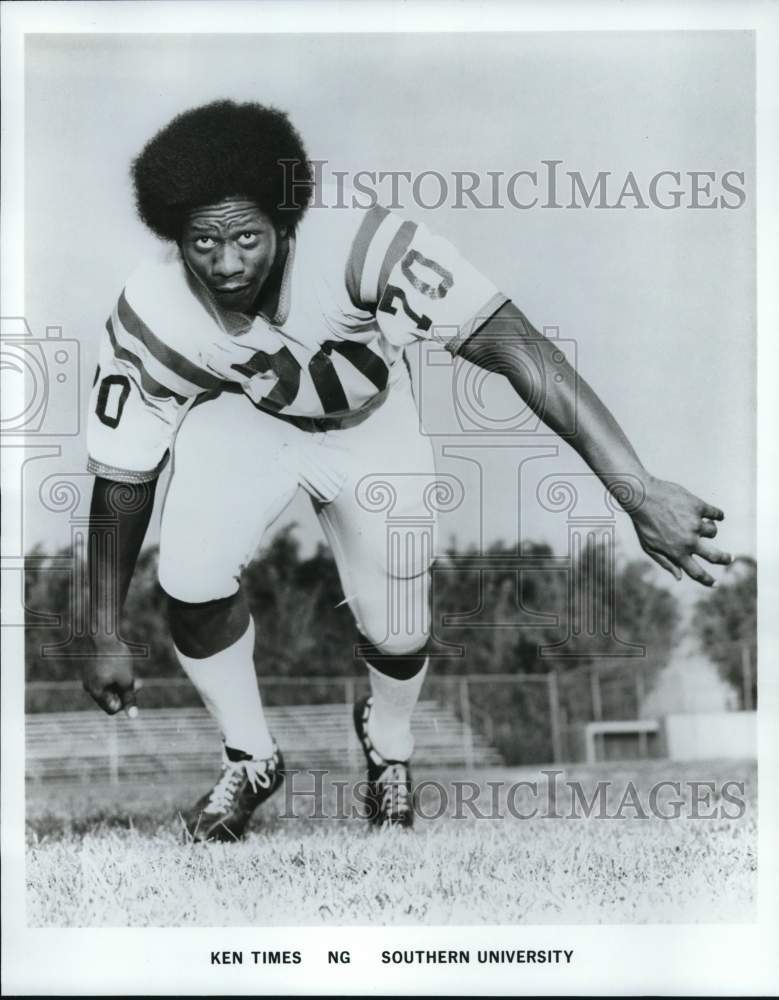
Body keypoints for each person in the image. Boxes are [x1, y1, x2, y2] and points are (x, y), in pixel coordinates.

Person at [82, 100, 731, 840]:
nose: (226, 264)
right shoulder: (154, 306)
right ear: (175, 238)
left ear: (286, 219)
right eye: (203, 242)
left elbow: (515, 350)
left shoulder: (364, 245)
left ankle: (388, 746)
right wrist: (99, 627)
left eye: (245, 238)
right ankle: (249, 757)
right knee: (190, 576)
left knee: (396, 631)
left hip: (370, 422)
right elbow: (125, 473)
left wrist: (635, 488)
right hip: (246, 419)